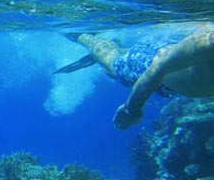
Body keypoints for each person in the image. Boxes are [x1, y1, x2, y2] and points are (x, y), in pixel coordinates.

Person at [54, 26, 214, 129]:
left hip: (171, 82)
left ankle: (120, 48)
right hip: (148, 61)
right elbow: (156, 70)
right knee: (112, 65)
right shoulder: (208, 44)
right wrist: (132, 108)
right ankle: (81, 35)